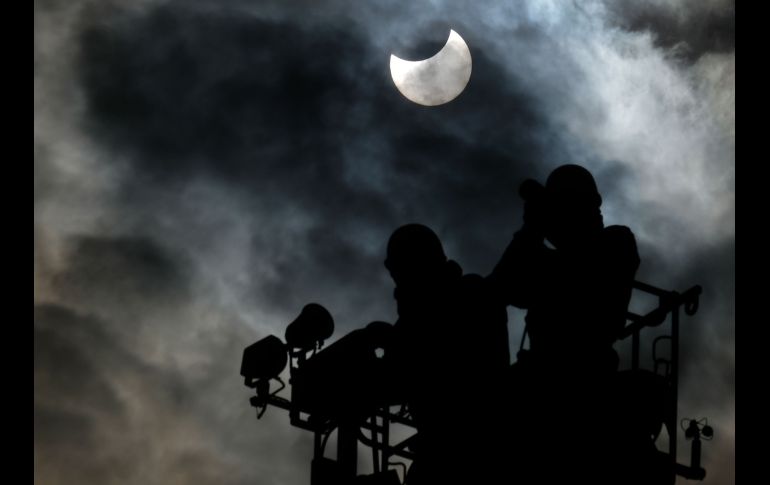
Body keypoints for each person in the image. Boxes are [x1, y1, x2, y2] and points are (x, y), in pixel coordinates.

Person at [489, 164, 640, 482]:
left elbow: (580, 274)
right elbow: (499, 289)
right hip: (537, 376)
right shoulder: (549, 260)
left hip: (585, 378)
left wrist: (538, 229)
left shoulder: (615, 242)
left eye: (564, 207)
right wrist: (530, 229)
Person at [383, 224, 509, 484]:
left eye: (398, 267)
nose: (395, 276)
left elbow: (399, 376)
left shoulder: (468, 295)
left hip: (469, 448)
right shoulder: (412, 320)